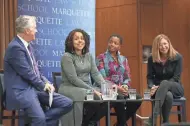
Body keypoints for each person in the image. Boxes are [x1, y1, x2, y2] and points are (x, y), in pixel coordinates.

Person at [3, 15, 73, 126]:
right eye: (34, 28)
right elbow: (27, 73)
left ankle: (37, 123)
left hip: (33, 89)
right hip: (21, 91)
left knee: (67, 103)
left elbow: (36, 71)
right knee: (39, 119)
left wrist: (46, 82)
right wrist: (43, 85)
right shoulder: (15, 48)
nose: (36, 30)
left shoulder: (28, 46)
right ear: (27, 31)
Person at [59, 29, 107, 126]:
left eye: (82, 38)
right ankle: (82, 122)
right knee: (95, 95)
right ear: (71, 42)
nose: (80, 41)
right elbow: (73, 79)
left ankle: (87, 122)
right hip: (70, 88)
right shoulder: (67, 56)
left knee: (109, 97)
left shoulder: (88, 56)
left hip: (86, 87)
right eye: (76, 39)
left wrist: (105, 87)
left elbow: (95, 73)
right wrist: (92, 90)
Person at [96, 34, 142, 126]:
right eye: (110, 42)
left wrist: (125, 86)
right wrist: (117, 88)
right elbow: (102, 78)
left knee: (137, 98)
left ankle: (119, 124)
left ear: (119, 46)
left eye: (115, 43)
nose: (112, 44)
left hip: (122, 89)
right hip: (107, 90)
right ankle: (122, 124)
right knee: (119, 98)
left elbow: (127, 76)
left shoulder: (123, 59)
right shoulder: (101, 58)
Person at [146, 34, 184, 125]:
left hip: (175, 86)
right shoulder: (152, 59)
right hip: (159, 90)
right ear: (157, 47)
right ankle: (166, 122)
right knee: (168, 95)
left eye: (165, 43)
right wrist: (151, 86)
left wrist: (160, 86)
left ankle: (153, 117)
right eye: (160, 45)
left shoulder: (178, 57)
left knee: (165, 83)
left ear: (169, 43)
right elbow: (150, 77)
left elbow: (176, 77)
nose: (163, 47)